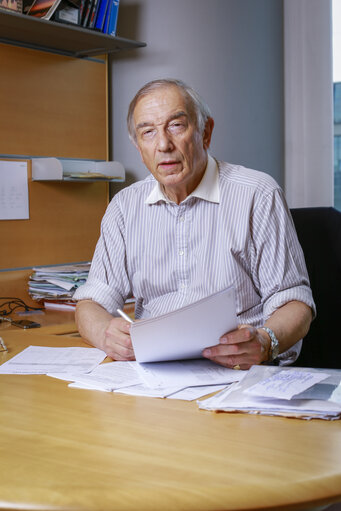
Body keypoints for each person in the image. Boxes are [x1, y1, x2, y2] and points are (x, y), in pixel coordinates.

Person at [74, 78, 315, 370]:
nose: (163, 145)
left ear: (206, 132)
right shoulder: (124, 207)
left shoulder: (258, 194)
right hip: (152, 374)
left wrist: (264, 342)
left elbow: (295, 301)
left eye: (176, 126)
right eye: (148, 132)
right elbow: (90, 304)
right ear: (139, 147)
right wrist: (104, 333)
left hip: (240, 371)